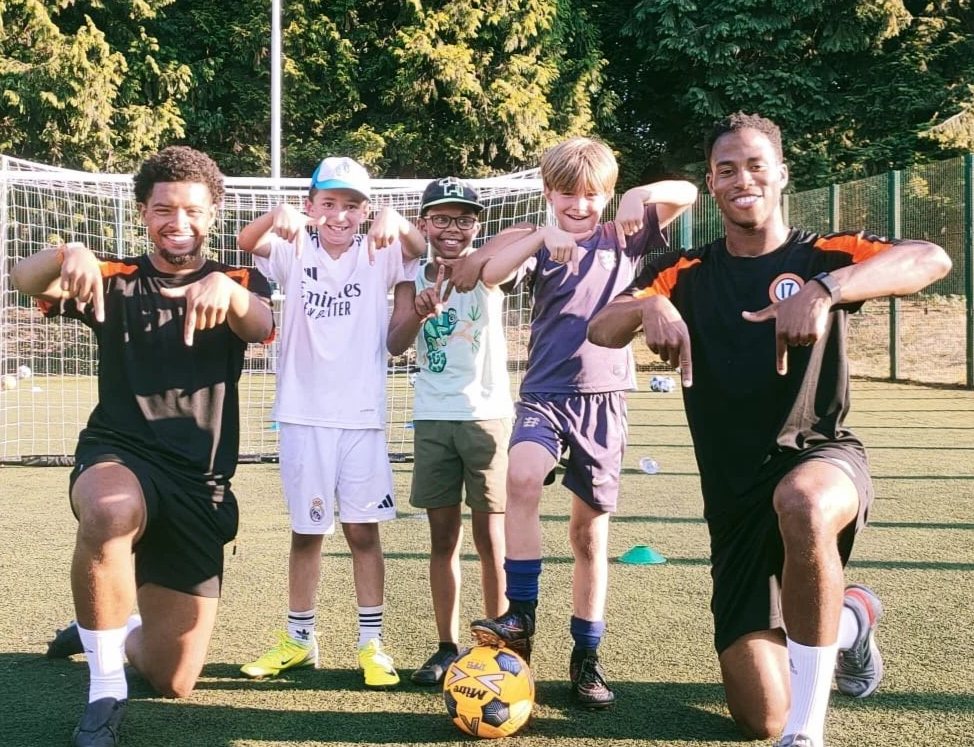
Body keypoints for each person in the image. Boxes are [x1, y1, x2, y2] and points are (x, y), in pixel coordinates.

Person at [587, 113, 951, 746]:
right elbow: (601, 328)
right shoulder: (683, 270)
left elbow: (930, 257)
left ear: (782, 173)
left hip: (821, 458)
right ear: (712, 182)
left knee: (804, 503)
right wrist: (649, 305)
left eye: (756, 165)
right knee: (760, 719)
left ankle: (807, 734)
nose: (742, 179)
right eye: (726, 170)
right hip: (733, 506)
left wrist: (825, 289)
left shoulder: (823, 255)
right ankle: (850, 621)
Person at [21, 146, 275, 747]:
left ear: (213, 214)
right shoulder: (109, 279)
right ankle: (104, 691)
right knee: (110, 511)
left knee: (173, 679)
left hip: (199, 483)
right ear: (143, 213)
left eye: (192, 210)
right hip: (120, 453)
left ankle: (103, 628)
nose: (177, 222)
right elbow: (22, 279)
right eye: (164, 209)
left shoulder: (238, 280)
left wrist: (229, 293)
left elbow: (261, 324)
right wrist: (65, 253)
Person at [467, 137, 698, 708]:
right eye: (567, 194)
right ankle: (520, 615)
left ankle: (586, 656)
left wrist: (642, 193)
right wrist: (542, 237)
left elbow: (689, 192)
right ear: (548, 193)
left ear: (608, 194)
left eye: (592, 194)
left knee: (588, 535)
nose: (579, 205)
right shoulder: (541, 241)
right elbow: (489, 274)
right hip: (544, 393)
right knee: (520, 478)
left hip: (604, 397)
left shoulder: (629, 231)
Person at [236, 156, 425, 689]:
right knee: (307, 533)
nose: (340, 216)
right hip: (301, 415)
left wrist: (397, 218)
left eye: (352, 206)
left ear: (365, 211)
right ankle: (299, 640)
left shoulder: (379, 250)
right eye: (329, 204)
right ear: (311, 205)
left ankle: (371, 643)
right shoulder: (293, 247)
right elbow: (249, 242)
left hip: (361, 419)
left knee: (364, 534)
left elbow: (419, 249)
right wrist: (276, 215)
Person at [386, 177, 514, 685]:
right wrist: (417, 315)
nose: (452, 228)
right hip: (435, 418)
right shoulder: (409, 276)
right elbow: (396, 344)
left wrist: (477, 254)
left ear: (476, 225)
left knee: (492, 539)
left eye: (463, 218)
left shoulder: (487, 267)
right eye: (441, 218)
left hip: (487, 417)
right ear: (425, 224)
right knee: (444, 539)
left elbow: (524, 233)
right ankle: (447, 646)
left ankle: (501, 645)